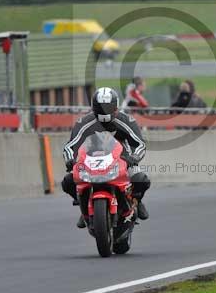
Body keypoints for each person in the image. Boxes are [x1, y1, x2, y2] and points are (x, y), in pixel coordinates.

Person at [62, 87, 151, 228]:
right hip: (91, 161)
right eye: (100, 107)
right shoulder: (83, 122)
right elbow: (70, 146)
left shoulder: (127, 121)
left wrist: (134, 158)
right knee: (68, 181)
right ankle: (83, 205)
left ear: (116, 107)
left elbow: (140, 144)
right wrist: (70, 160)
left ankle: (136, 201)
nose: (105, 111)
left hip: (123, 160)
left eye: (109, 107)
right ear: (94, 107)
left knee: (141, 179)